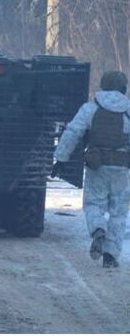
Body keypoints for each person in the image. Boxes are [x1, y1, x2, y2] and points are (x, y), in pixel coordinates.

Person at [54, 69, 130, 268]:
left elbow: (73, 132)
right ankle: (111, 256)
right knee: (119, 212)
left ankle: (97, 228)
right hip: (121, 166)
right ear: (124, 88)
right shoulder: (128, 110)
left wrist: (60, 159)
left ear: (103, 86)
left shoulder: (91, 107)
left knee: (93, 204)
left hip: (97, 165)